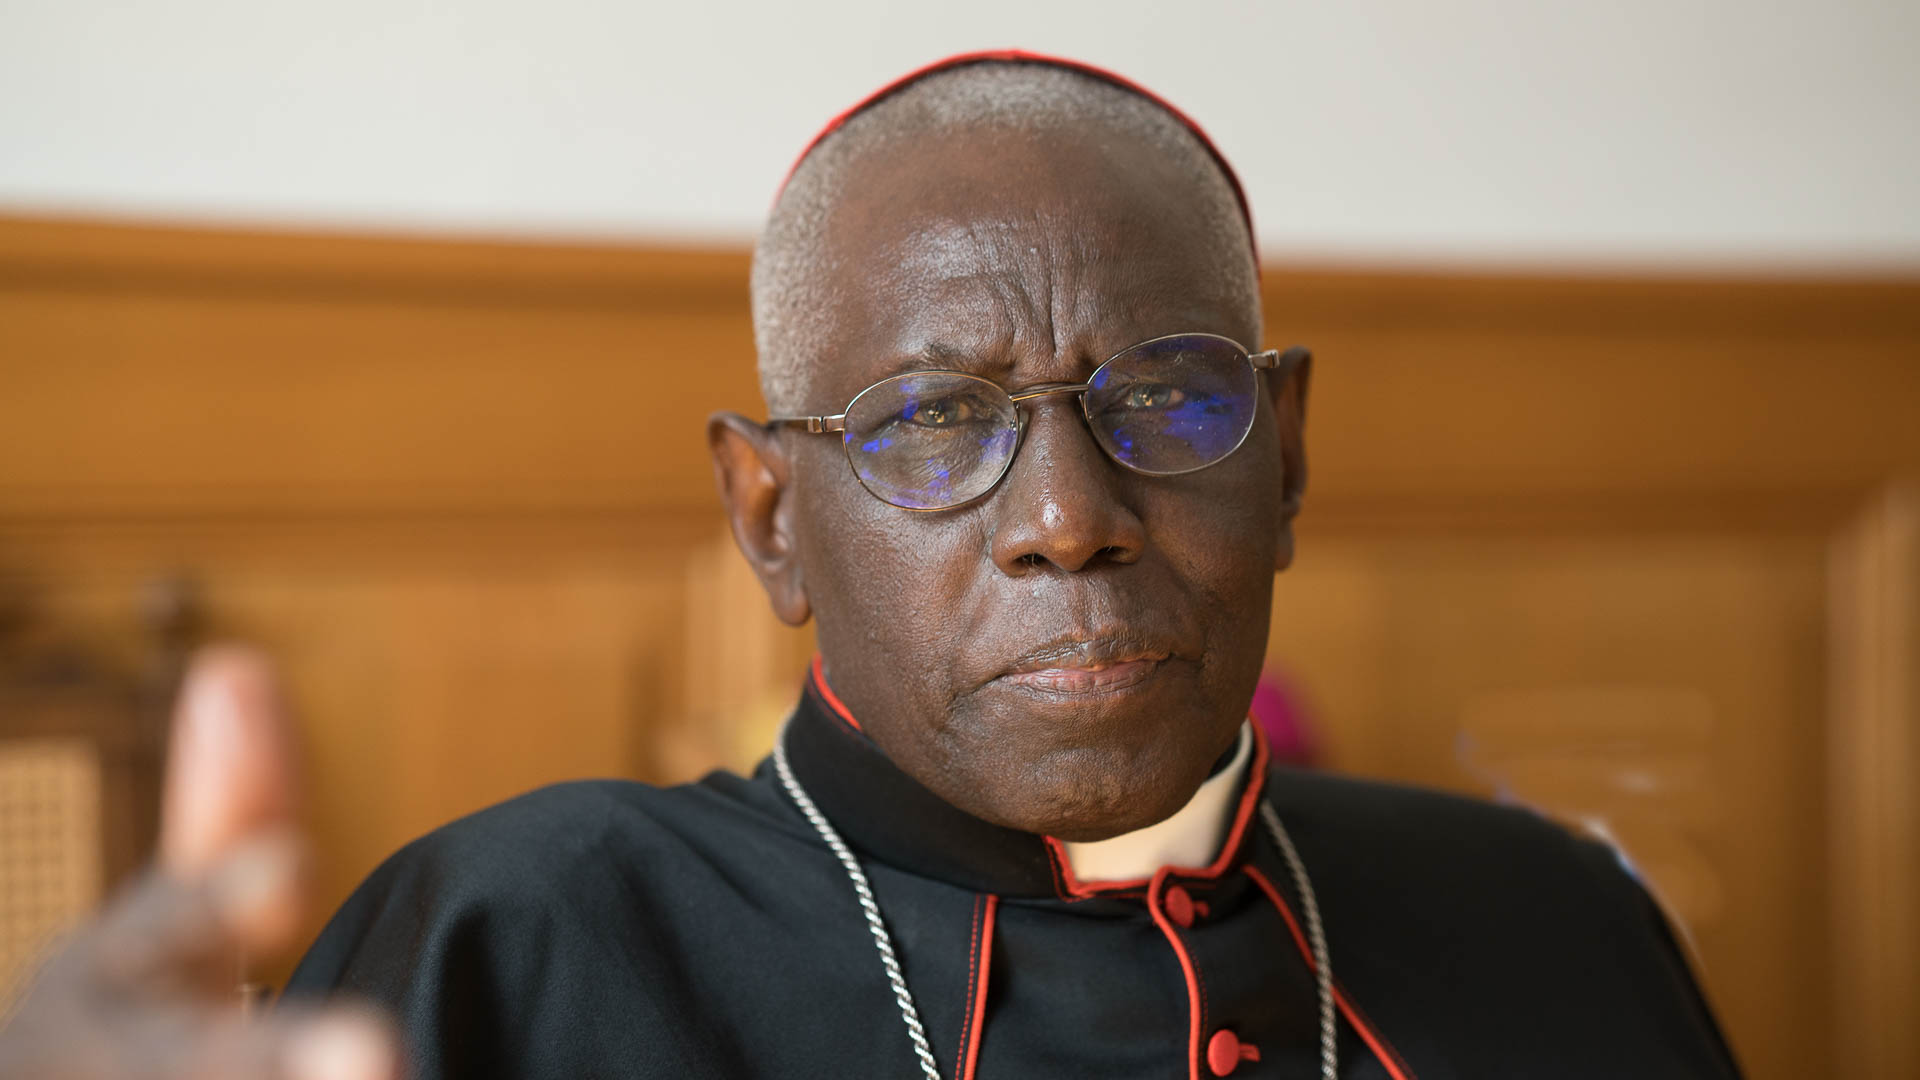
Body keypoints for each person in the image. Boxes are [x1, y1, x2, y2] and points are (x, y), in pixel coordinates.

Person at [0, 52, 1741, 1079]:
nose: (1072, 515)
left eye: (1166, 397)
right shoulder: (514, 949)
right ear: (772, 521)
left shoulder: (1560, 926)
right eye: (932, 422)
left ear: (1286, 460)